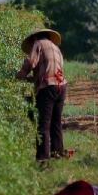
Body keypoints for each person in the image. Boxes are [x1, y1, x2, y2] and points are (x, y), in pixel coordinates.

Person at [17, 27, 67, 163]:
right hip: (61, 86)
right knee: (56, 122)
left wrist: (19, 75)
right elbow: (47, 71)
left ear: (34, 38)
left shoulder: (38, 44)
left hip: (48, 88)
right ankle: (58, 153)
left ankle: (42, 159)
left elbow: (31, 63)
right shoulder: (55, 47)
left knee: (43, 125)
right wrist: (29, 79)